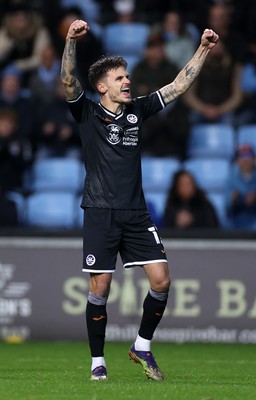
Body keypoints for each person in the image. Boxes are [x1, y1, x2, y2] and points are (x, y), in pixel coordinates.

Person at [61, 19, 218, 381]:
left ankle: (142, 346)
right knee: (100, 288)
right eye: (119, 78)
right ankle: (97, 361)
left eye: (127, 76)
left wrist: (204, 48)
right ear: (102, 86)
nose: (127, 81)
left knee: (161, 281)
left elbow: (178, 86)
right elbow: (68, 80)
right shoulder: (86, 112)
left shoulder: (137, 111)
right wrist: (70, 40)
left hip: (136, 212)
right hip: (100, 211)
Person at [226, 144, 256, 230]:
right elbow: (227, 208)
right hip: (236, 219)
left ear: (254, 159)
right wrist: (233, 200)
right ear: (237, 161)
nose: (246, 159)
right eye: (242, 156)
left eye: (249, 156)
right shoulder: (230, 181)